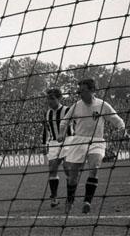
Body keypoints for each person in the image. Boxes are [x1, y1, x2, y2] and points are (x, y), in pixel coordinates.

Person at [58, 78, 128, 214]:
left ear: (92, 90)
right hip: (79, 141)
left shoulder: (102, 105)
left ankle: (87, 202)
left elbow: (117, 120)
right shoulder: (76, 106)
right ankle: (70, 200)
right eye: (79, 91)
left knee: (94, 167)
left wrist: (122, 130)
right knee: (73, 176)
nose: (80, 94)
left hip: (96, 141)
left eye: (83, 91)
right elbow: (64, 122)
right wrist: (61, 133)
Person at [42, 88, 74, 208]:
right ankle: (54, 198)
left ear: (59, 98)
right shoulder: (47, 113)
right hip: (53, 143)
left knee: (67, 168)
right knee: (52, 169)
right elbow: (45, 130)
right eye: (48, 99)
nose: (50, 101)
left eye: (52, 99)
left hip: (68, 140)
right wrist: (44, 144)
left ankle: (70, 198)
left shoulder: (67, 110)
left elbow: (76, 124)